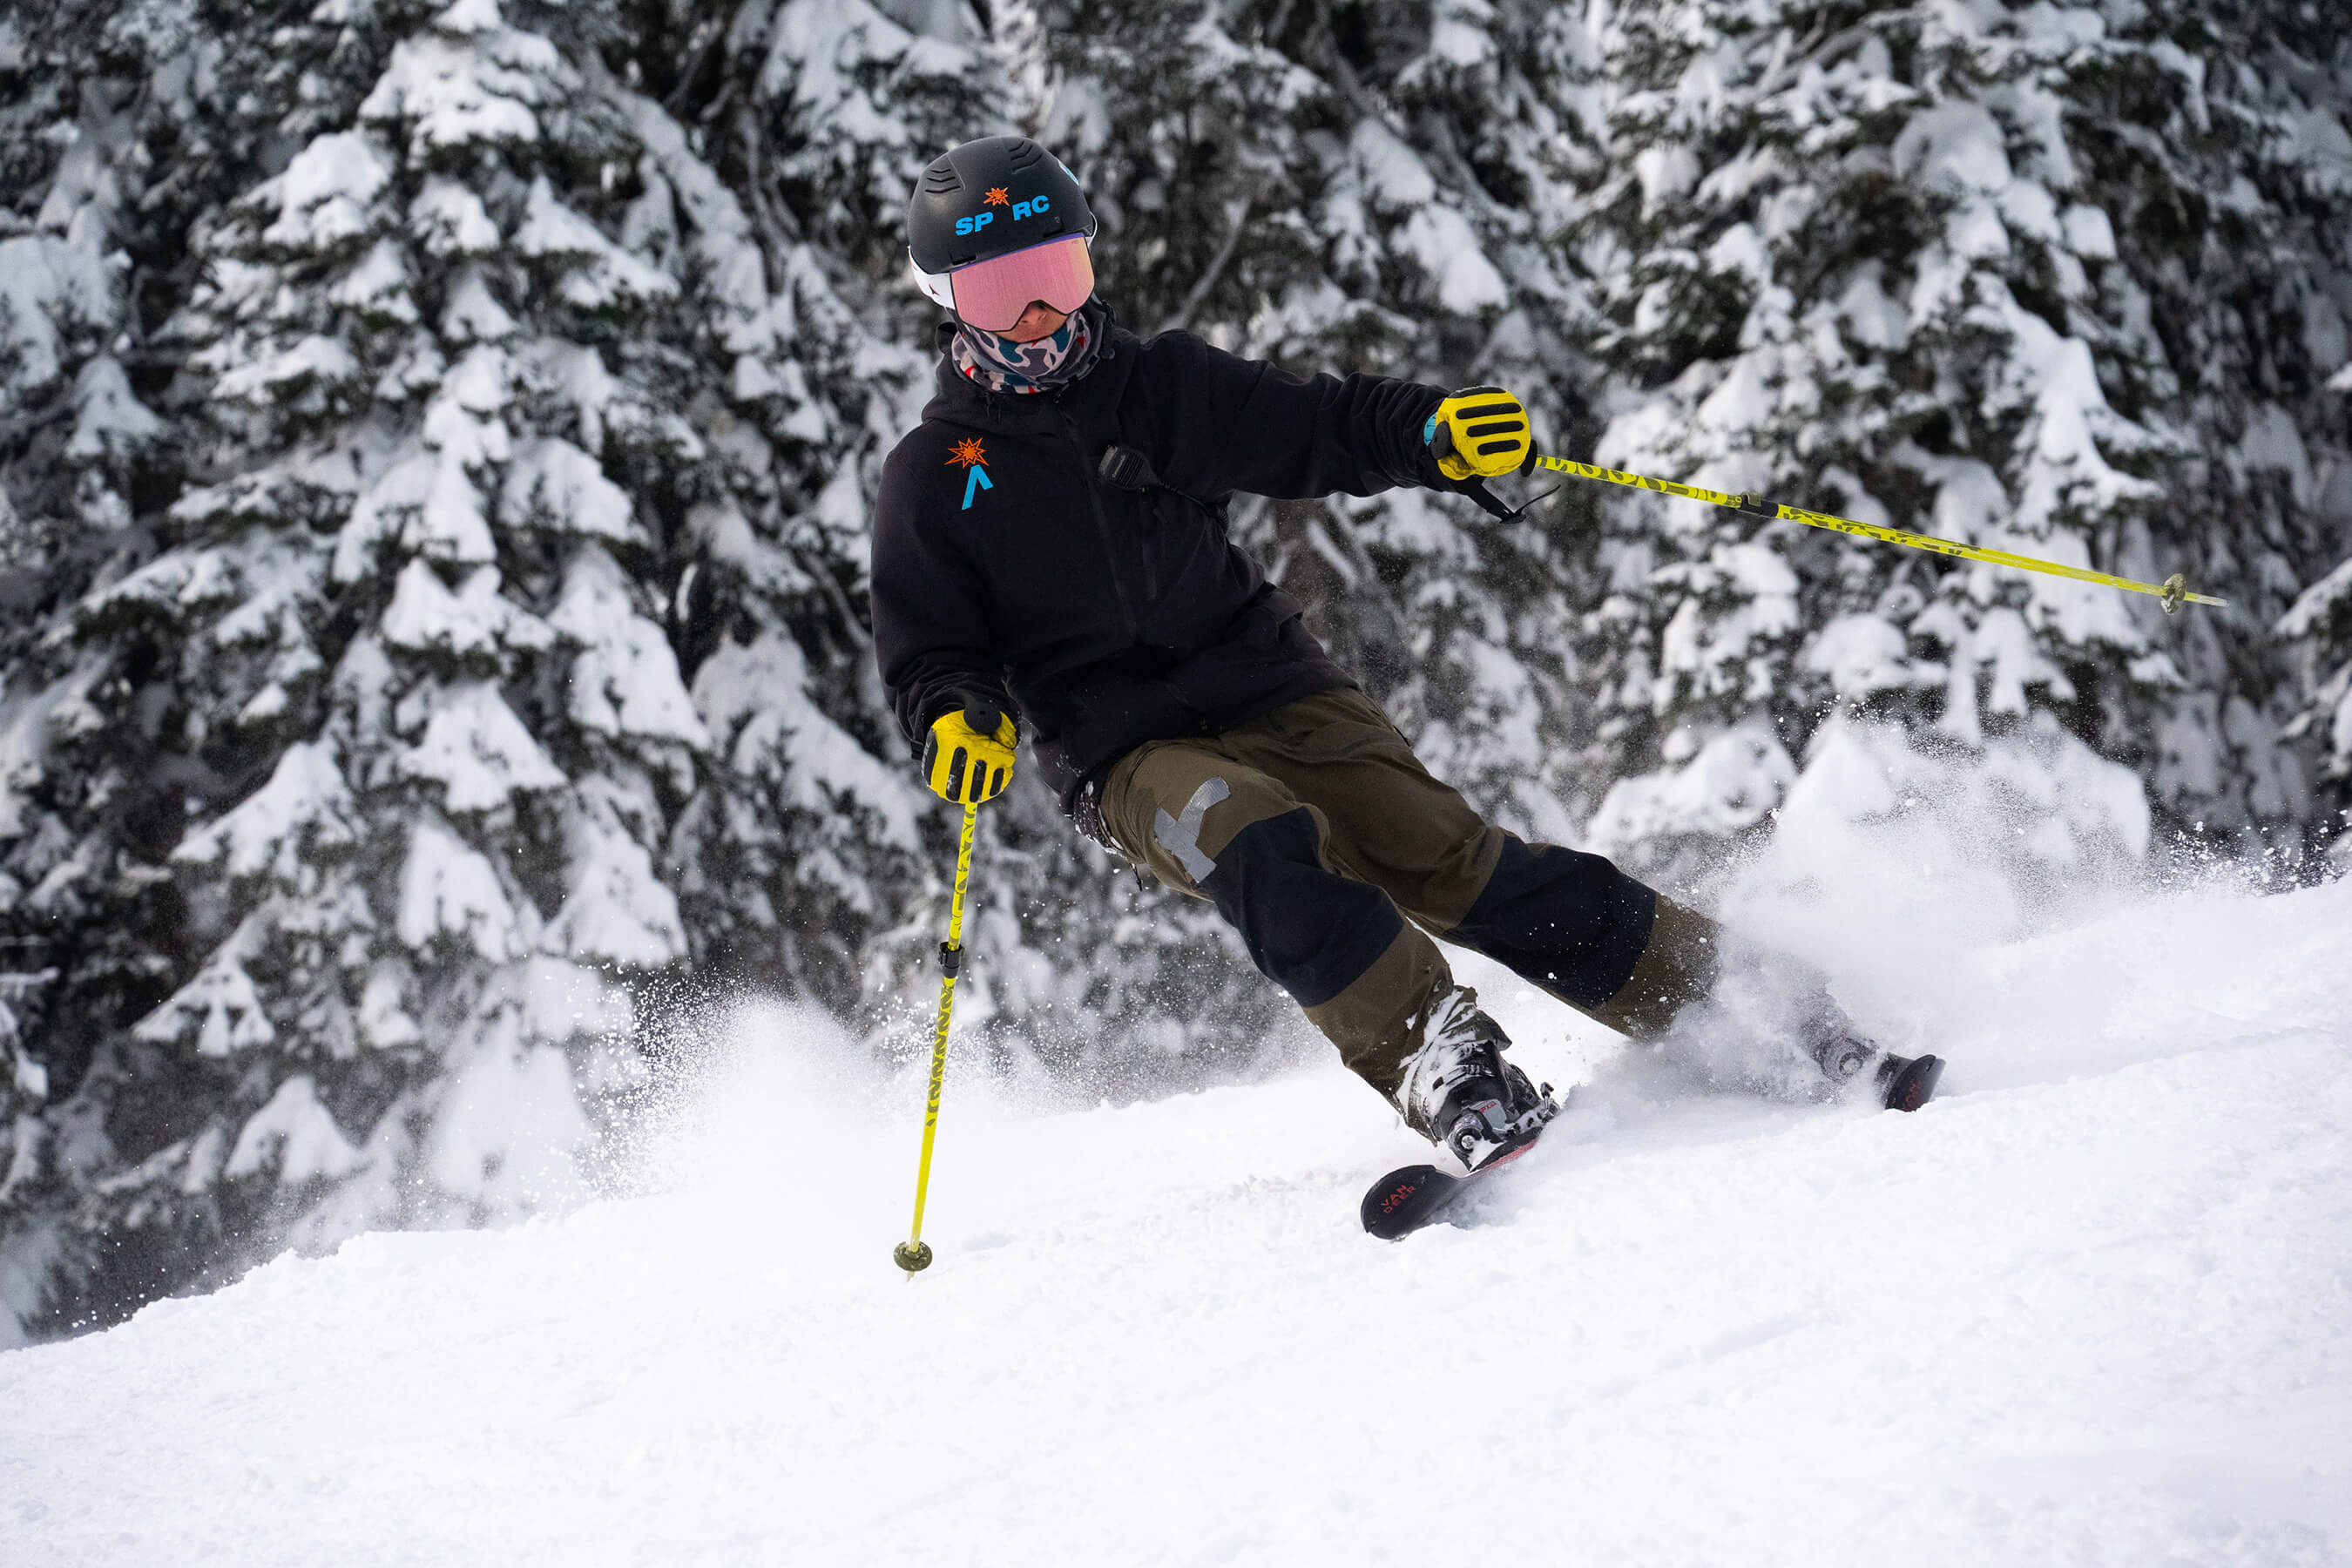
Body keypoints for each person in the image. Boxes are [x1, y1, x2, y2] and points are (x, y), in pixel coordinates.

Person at [870, 135, 1942, 1173]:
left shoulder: (1159, 389)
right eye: (1005, 291)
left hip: (1269, 681)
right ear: (946, 302)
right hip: (1124, 754)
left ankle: (1745, 1005)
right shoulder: (938, 471)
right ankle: (1446, 1062)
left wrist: (1431, 434)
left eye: (1058, 271)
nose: (1044, 314)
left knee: (1449, 856)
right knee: (1258, 838)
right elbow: (932, 646)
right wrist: (958, 712)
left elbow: (1316, 425)